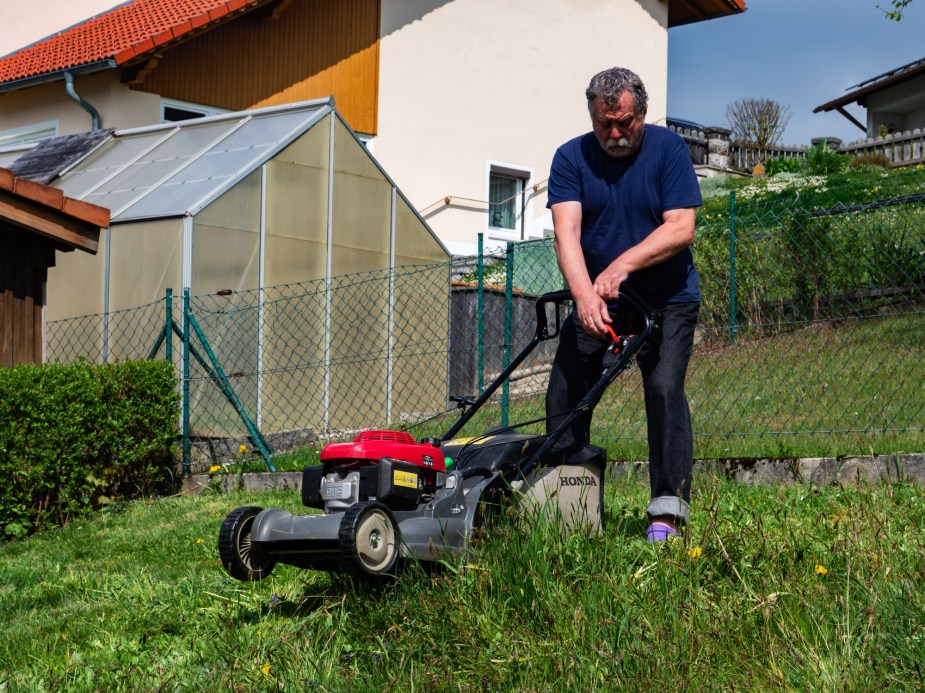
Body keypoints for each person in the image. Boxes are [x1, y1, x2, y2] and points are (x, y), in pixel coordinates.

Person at [544, 67, 702, 542]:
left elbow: (681, 227)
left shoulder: (669, 150)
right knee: (565, 393)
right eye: (603, 124)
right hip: (600, 299)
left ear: (643, 113)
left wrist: (620, 266)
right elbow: (565, 232)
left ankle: (667, 513)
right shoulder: (570, 158)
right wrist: (584, 295)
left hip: (667, 298)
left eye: (624, 123)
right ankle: (567, 510)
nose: (614, 134)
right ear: (592, 116)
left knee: (663, 388)